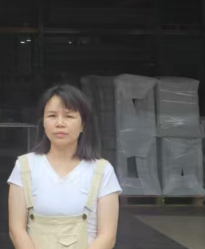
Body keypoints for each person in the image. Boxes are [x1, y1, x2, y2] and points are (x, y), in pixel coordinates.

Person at [8, 84, 121, 249]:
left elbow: (107, 236)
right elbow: (16, 230)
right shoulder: (24, 167)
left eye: (69, 116)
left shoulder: (102, 171)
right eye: (52, 116)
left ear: (83, 124)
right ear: (43, 122)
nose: (60, 123)